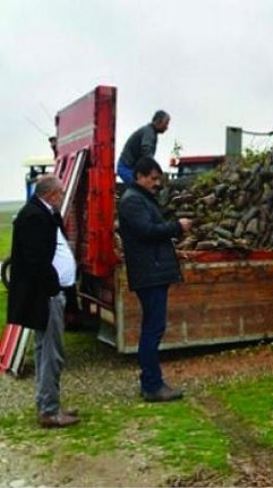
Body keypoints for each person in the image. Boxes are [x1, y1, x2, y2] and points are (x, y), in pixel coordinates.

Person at [7, 175, 79, 428]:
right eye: (60, 192)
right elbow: (36, 260)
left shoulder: (45, 213)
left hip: (50, 293)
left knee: (45, 350)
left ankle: (48, 403)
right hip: (45, 296)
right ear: (51, 194)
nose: (62, 196)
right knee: (51, 352)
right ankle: (49, 410)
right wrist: (53, 288)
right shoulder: (34, 217)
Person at [117, 156, 191, 402]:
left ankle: (151, 381)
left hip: (153, 271)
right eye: (153, 178)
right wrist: (177, 227)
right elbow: (147, 232)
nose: (156, 183)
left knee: (153, 327)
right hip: (150, 274)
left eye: (158, 178)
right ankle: (152, 385)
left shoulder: (140, 199)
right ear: (139, 176)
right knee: (153, 329)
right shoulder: (133, 202)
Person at [116, 110, 171, 184]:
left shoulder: (151, 132)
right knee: (140, 187)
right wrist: (157, 170)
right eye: (166, 123)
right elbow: (147, 151)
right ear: (158, 121)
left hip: (132, 168)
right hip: (127, 168)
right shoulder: (149, 132)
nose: (167, 127)